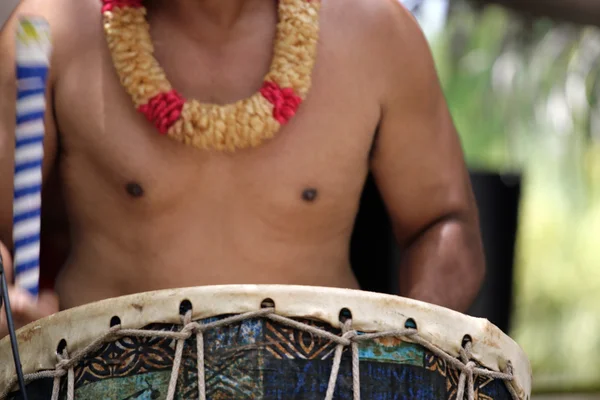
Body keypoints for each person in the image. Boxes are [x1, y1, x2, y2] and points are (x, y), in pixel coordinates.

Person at [0, 0, 485, 339]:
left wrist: (409, 346)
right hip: (100, 379)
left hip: (321, 380)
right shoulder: (50, 27)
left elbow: (444, 223)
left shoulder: (377, 31)